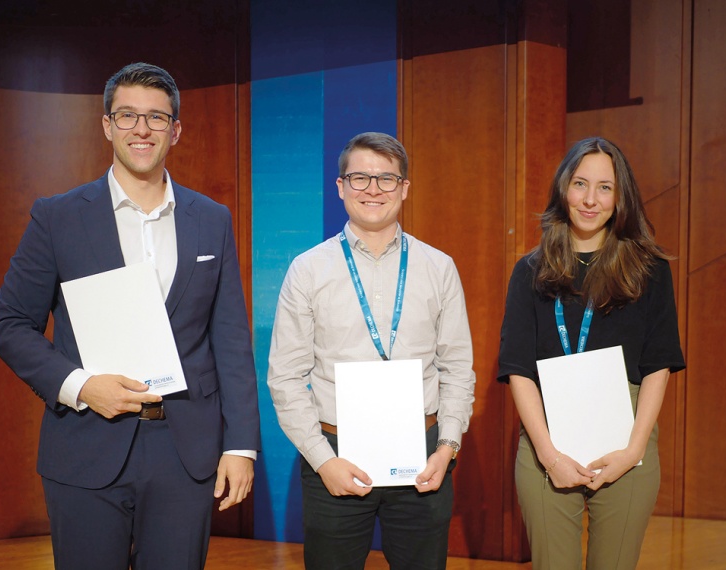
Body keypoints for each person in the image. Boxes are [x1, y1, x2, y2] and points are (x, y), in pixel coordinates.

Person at [0, 62, 260, 570]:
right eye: (128, 115)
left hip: (186, 453)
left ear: (175, 131)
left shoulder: (211, 218)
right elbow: (9, 326)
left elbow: (230, 340)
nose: (142, 129)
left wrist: (241, 445)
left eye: (157, 118)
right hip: (86, 444)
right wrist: (81, 385)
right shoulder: (57, 217)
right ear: (107, 125)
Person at [267, 132, 476, 570]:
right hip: (335, 454)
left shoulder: (438, 267)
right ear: (341, 187)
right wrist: (323, 462)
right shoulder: (308, 270)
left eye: (386, 179)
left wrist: (447, 447)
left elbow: (457, 367)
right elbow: (286, 376)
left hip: (424, 458)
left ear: (404, 189)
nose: (373, 190)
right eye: (360, 178)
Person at [497, 137, 685, 569]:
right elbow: (518, 369)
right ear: (564, 188)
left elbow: (659, 365)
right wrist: (548, 455)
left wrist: (633, 450)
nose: (590, 199)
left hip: (626, 436)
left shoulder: (650, 269)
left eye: (605, 187)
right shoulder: (530, 270)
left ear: (621, 197)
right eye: (580, 183)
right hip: (548, 437)